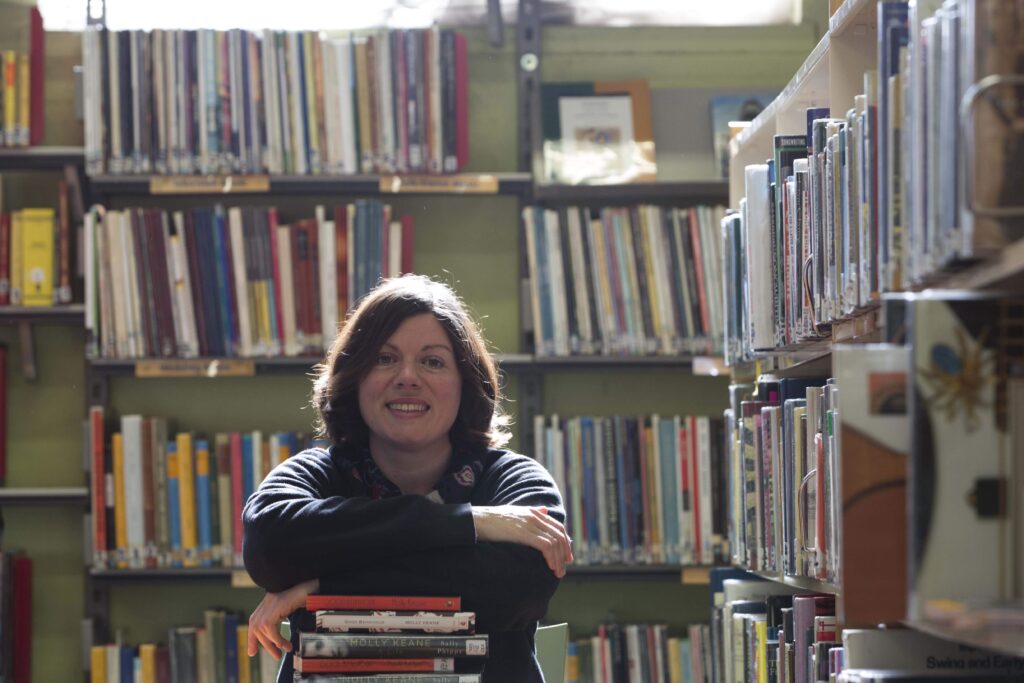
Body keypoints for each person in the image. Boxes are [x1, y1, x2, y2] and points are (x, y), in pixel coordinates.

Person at [242, 274, 573, 682]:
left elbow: (518, 588)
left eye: (433, 361)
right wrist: (471, 522)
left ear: (465, 384)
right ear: (355, 377)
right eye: (384, 358)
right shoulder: (312, 475)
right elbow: (268, 546)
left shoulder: (515, 481)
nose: (407, 377)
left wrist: (323, 587)